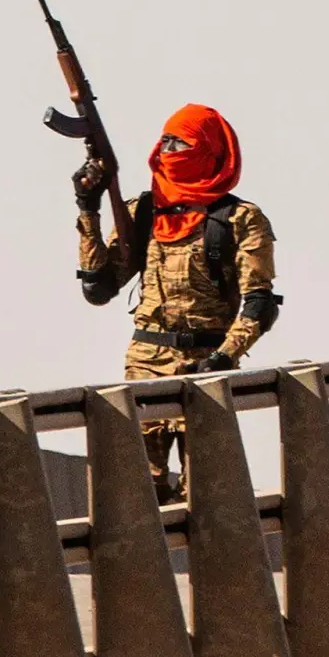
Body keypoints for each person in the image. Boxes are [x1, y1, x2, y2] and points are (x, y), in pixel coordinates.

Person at [72, 103, 282, 504]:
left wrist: (224, 357)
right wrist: (88, 208)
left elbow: (259, 304)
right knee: (136, 501)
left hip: (204, 369)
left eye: (180, 143)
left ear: (208, 151)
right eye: (164, 140)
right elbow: (98, 288)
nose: (168, 150)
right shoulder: (146, 211)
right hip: (144, 370)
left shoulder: (239, 219)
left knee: (205, 501)